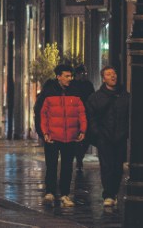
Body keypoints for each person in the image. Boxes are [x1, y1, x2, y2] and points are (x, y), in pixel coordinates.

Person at [34, 63, 87, 208]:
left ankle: (65, 194)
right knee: (51, 165)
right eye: (66, 76)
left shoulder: (76, 92)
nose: (69, 79)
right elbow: (42, 114)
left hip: (70, 136)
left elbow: (82, 112)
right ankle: (50, 192)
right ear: (58, 77)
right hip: (52, 136)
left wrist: (82, 130)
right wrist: (44, 133)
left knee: (67, 167)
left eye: (71, 76)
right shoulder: (48, 92)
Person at [85, 65, 130, 208]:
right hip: (104, 137)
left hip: (120, 137)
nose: (113, 76)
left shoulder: (125, 96)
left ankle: (114, 192)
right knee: (106, 166)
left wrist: (126, 132)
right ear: (103, 78)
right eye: (109, 74)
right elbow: (91, 117)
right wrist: (97, 133)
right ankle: (108, 195)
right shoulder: (96, 97)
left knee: (118, 167)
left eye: (114, 73)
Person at [71, 64, 95, 174]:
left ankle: (80, 156)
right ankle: (79, 158)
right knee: (77, 137)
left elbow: (93, 98)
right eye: (82, 73)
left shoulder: (88, 84)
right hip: (75, 115)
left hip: (86, 114)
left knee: (86, 138)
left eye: (85, 73)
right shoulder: (72, 85)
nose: (84, 75)